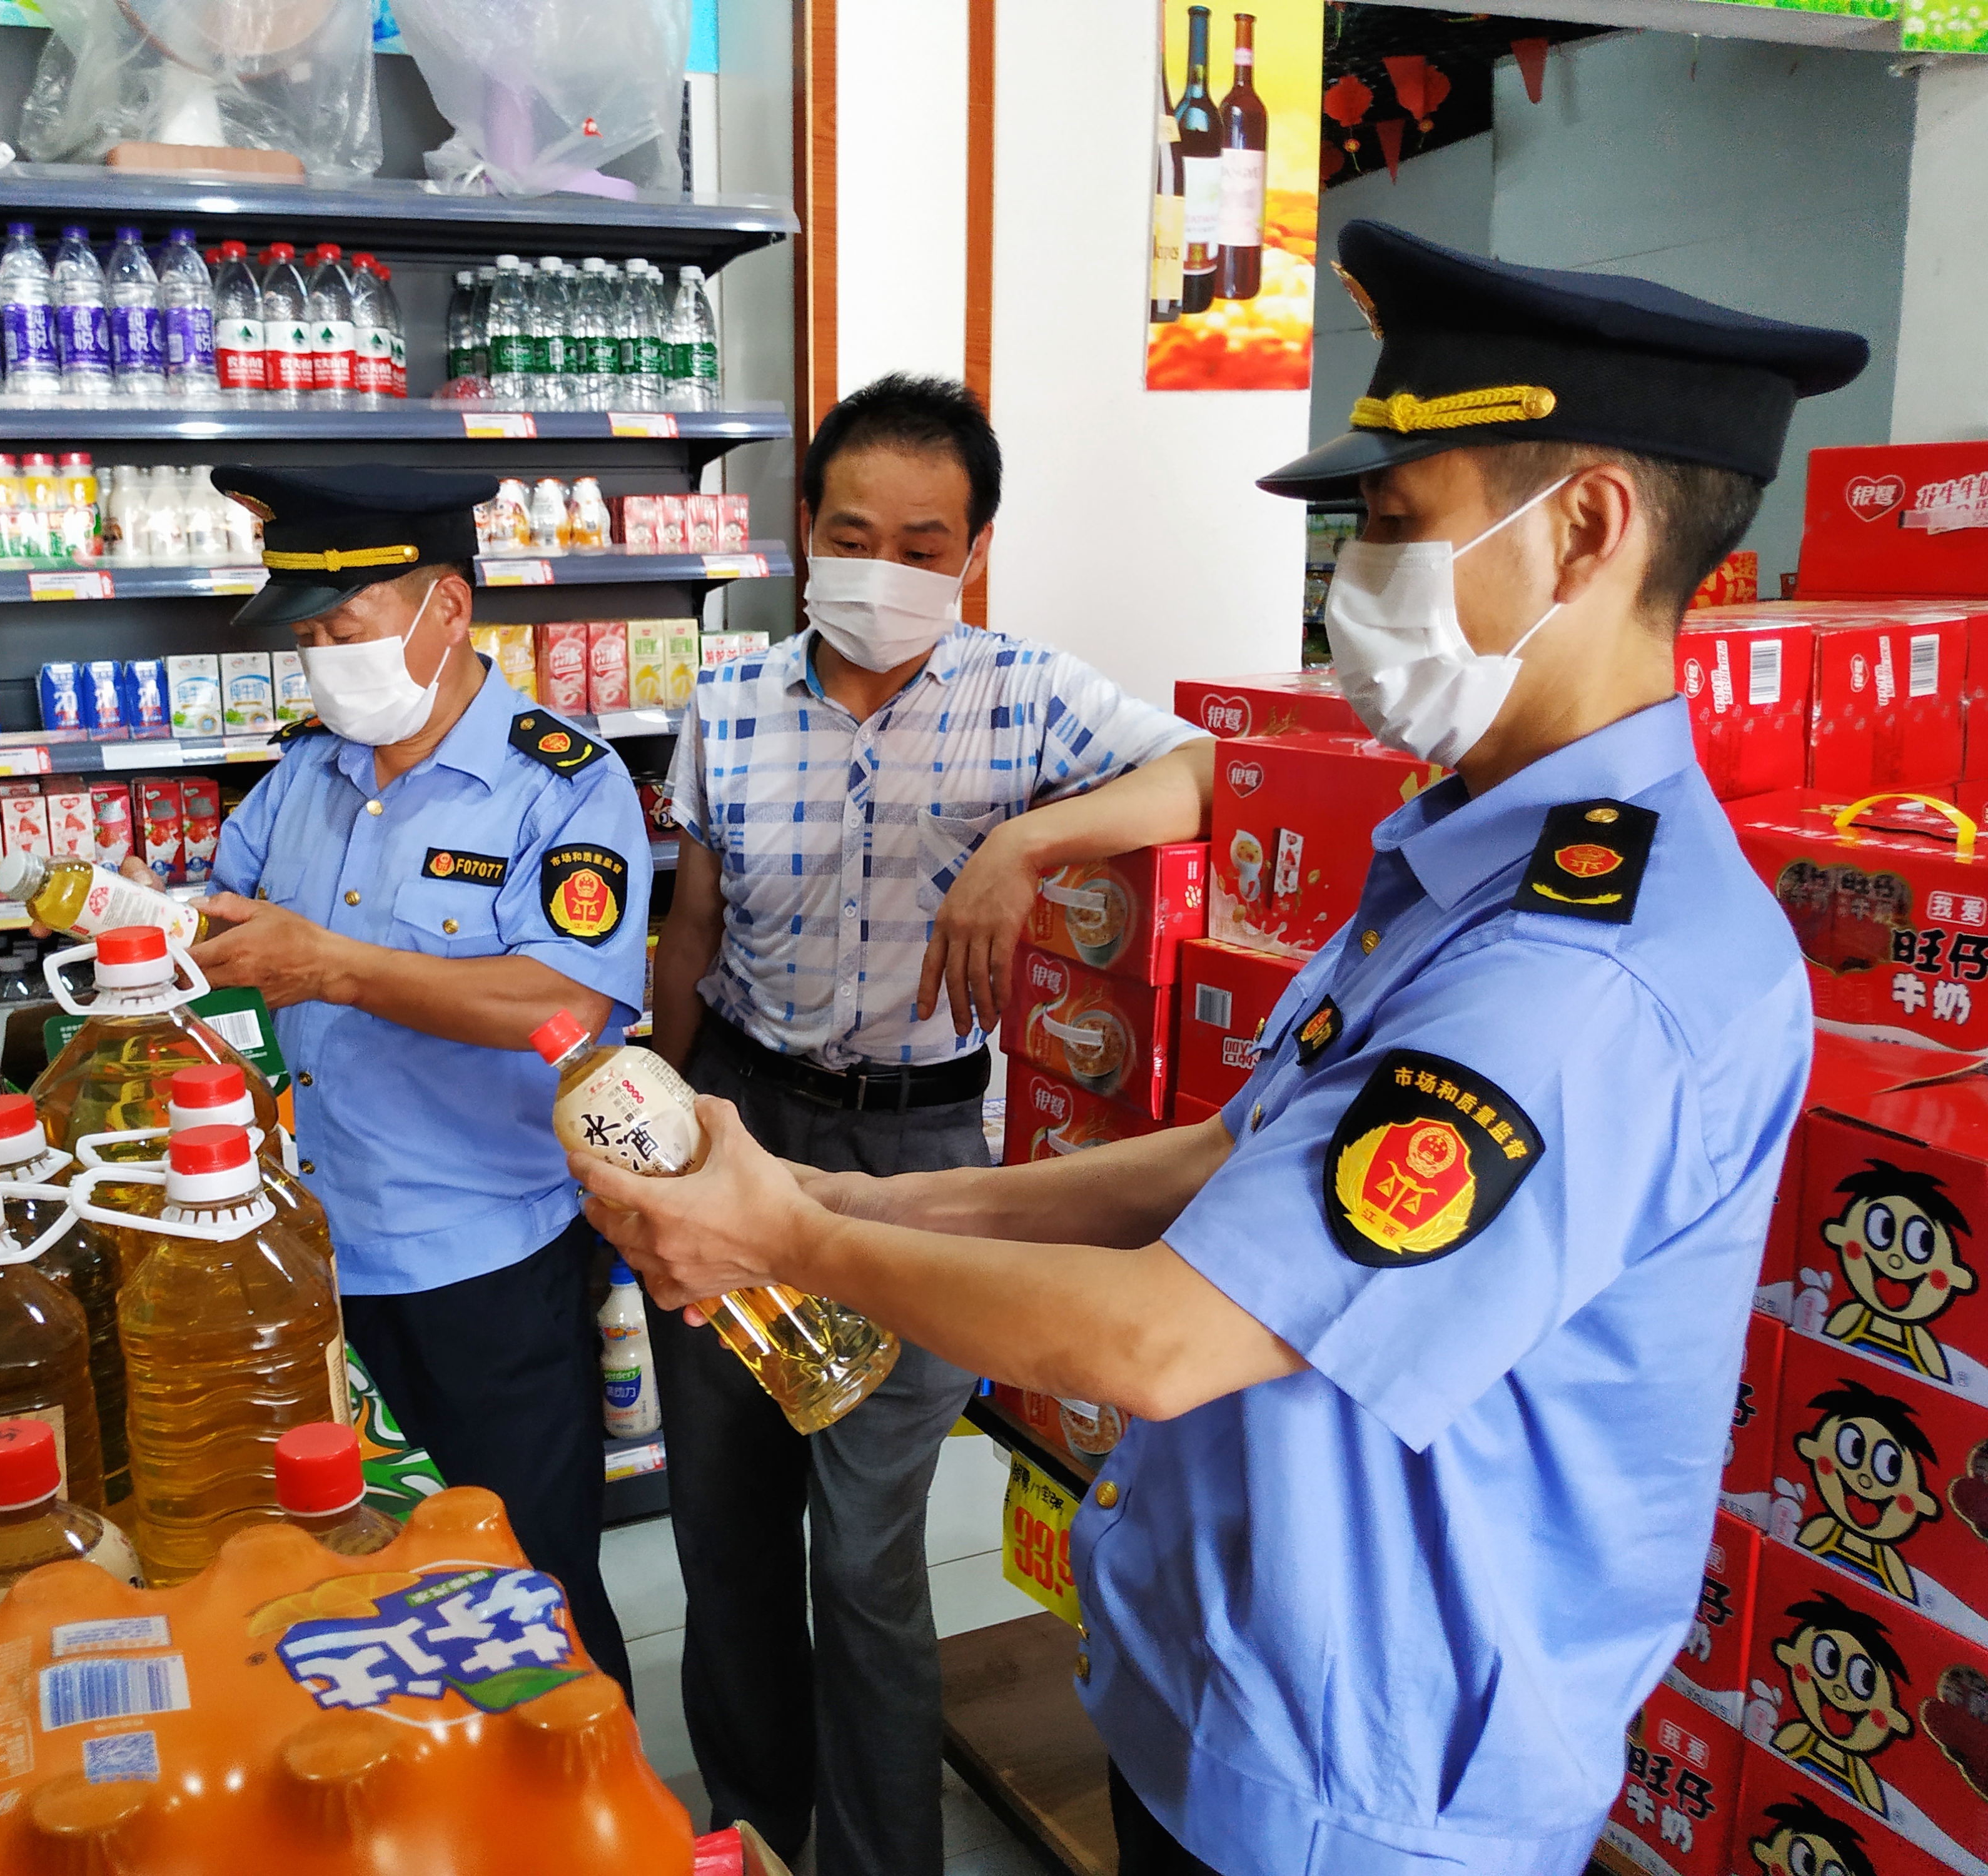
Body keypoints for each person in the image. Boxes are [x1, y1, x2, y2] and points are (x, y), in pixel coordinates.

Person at [575, 224, 1870, 1873]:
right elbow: (1220, 1160)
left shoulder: (1580, 975)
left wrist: (793, 1237)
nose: (1352, 586)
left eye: (1392, 524)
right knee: (739, 1550)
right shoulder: (1457, 863)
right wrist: (837, 1201)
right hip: (1232, 1687)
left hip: (1365, 1781)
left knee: (865, 1561)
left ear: (1587, 529)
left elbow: (1164, 1342)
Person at [645, 373, 1214, 1876]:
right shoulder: (726, 704)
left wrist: (1027, 839)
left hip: (922, 1148)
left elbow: (1211, 775)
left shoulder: (1025, 695)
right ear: (801, 529)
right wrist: (652, 1141)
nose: (883, 571)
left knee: (865, 1554)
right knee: (724, 1534)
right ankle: (753, 1834)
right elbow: (690, 934)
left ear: (972, 553)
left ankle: (880, 1860)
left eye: (923, 545)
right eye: (853, 536)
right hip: (737, 1118)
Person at [181, 464, 651, 1692]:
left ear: (448, 608)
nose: (325, 662)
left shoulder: (563, 782)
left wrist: (335, 968)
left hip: (480, 1269)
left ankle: (584, 1785)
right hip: (307, 1263)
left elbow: (564, 1005)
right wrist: (156, 932)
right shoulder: (305, 773)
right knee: (352, 1596)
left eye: (347, 628)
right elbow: (225, 939)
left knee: (526, 1594)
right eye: (308, 641)